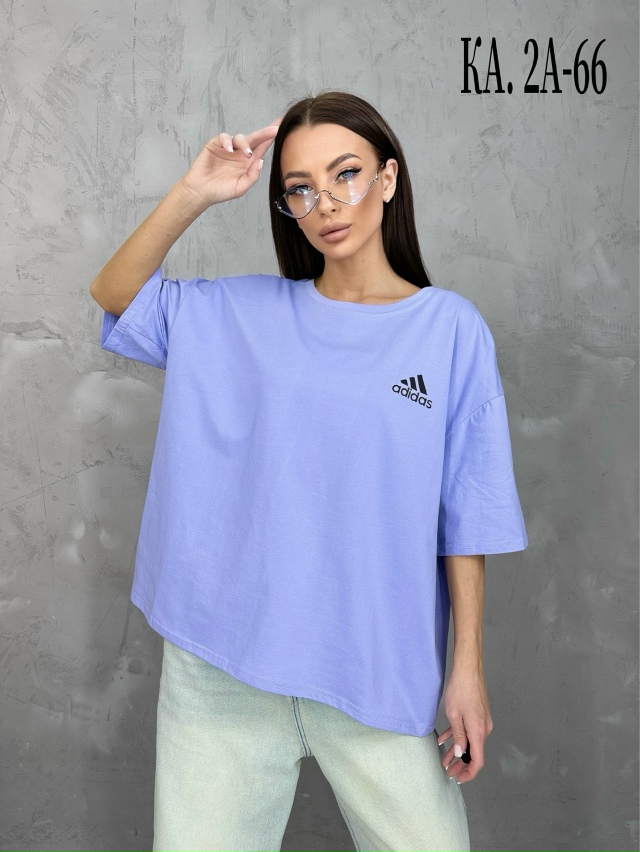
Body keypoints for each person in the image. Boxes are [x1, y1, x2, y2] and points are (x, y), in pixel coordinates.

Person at [90, 90, 528, 852]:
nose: (326, 202)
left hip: (375, 666)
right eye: (300, 188)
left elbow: (468, 512)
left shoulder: (450, 330)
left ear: (388, 178)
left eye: (346, 173)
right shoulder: (239, 314)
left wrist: (467, 668)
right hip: (223, 670)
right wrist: (195, 190)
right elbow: (116, 294)